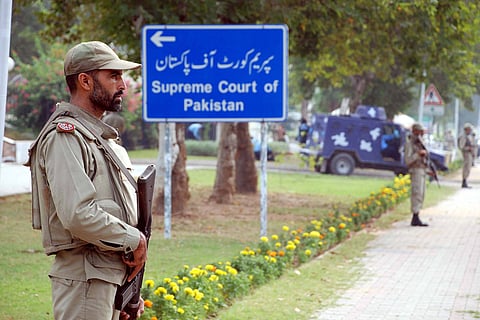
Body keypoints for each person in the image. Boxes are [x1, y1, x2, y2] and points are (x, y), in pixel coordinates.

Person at [26, 41, 147, 320]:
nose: (123, 85)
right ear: (85, 81)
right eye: (113, 76)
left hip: (106, 279)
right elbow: (78, 214)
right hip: (85, 279)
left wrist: (127, 293)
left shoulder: (99, 138)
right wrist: (135, 241)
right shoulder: (64, 136)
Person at [404, 123, 429, 227]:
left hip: (422, 170)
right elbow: (408, 160)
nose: (422, 134)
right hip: (415, 170)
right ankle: (415, 216)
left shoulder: (421, 143)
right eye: (420, 131)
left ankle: (417, 214)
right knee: (417, 193)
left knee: (421, 194)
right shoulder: (409, 144)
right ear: (415, 131)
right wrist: (418, 155)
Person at [458, 122, 475, 188]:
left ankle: (465, 180)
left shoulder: (468, 136)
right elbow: (461, 146)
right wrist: (468, 148)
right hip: (466, 154)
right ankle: (464, 181)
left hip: (469, 154)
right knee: (466, 167)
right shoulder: (463, 136)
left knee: (468, 168)